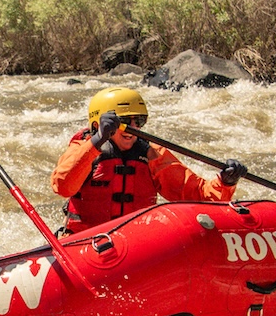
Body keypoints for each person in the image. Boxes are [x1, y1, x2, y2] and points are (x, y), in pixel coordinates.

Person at [50, 86, 246, 234]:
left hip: (135, 244)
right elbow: (63, 186)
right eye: (125, 122)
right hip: (85, 243)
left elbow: (197, 195)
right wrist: (97, 141)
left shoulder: (152, 154)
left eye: (139, 121)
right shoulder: (82, 149)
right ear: (99, 124)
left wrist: (225, 182)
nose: (134, 128)